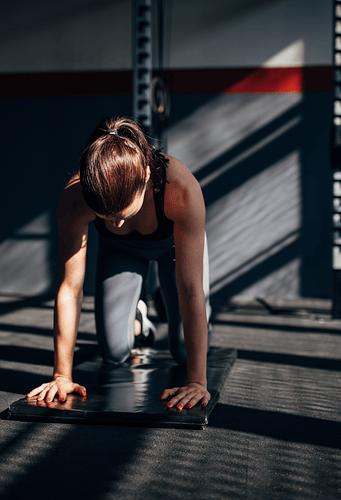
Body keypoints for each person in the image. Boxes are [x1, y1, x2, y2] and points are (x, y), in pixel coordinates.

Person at [27, 116, 212, 410]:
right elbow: (69, 288)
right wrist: (61, 375)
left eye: (124, 213)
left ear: (146, 177)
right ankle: (139, 320)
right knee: (113, 354)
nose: (118, 222)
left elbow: (190, 290)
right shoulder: (76, 197)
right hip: (120, 251)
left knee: (183, 353)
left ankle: (169, 313)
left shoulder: (180, 189)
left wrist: (197, 383)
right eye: (108, 217)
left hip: (174, 250)